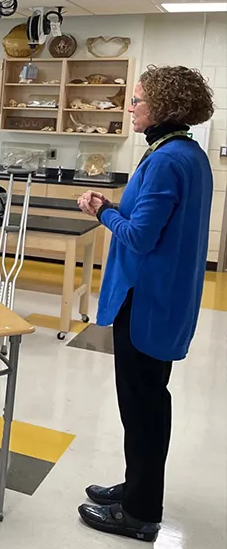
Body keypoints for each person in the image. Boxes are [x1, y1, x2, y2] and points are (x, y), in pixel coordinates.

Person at [74, 66, 215, 543]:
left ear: (162, 106)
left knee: (143, 408)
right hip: (164, 296)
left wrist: (102, 211)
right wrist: (117, 208)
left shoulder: (166, 160)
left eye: (136, 100)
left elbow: (139, 236)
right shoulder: (186, 154)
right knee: (147, 401)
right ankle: (137, 488)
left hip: (147, 302)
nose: (130, 107)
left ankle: (138, 512)